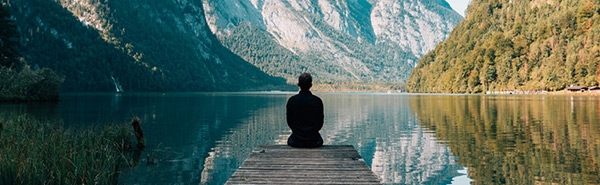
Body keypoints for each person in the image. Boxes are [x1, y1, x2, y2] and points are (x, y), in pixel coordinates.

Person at [286, 72, 324, 148]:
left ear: (298, 84)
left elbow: (289, 121)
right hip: (314, 141)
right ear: (311, 85)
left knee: (290, 140)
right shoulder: (317, 101)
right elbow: (320, 123)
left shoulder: (292, 100)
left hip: (296, 141)